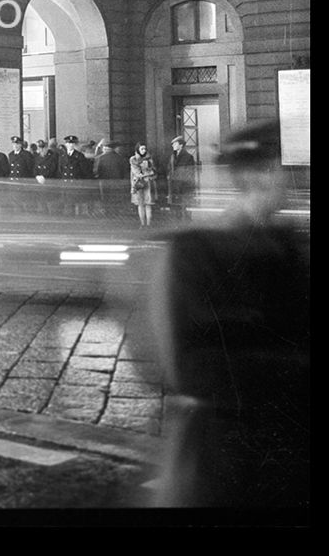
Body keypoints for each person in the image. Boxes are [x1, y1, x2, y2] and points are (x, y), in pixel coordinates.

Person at [149, 120, 309, 508]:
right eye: (283, 170)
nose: (290, 182)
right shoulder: (194, 251)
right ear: (262, 174)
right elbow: (189, 368)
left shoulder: (291, 247)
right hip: (224, 453)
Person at [166, 135, 197, 223]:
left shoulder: (188, 157)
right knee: (176, 208)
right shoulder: (172, 156)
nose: (173, 146)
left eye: (175, 144)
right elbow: (169, 169)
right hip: (174, 187)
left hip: (184, 187)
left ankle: (186, 226)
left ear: (181, 145)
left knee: (185, 208)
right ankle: (178, 225)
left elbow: (190, 173)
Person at [129, 142, 157, 228]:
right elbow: (137, 172)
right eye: (142, 149)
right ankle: (142, 223)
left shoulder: (150, 159)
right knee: (140, 204)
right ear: (137, 150)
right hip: (138, 184)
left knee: (148, 204)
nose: (144, 150)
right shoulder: (133, 159)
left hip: (148, 183)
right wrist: (147, 173)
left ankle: (148, 224)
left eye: (145, 149)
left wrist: (147, 173)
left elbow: (154, 171)